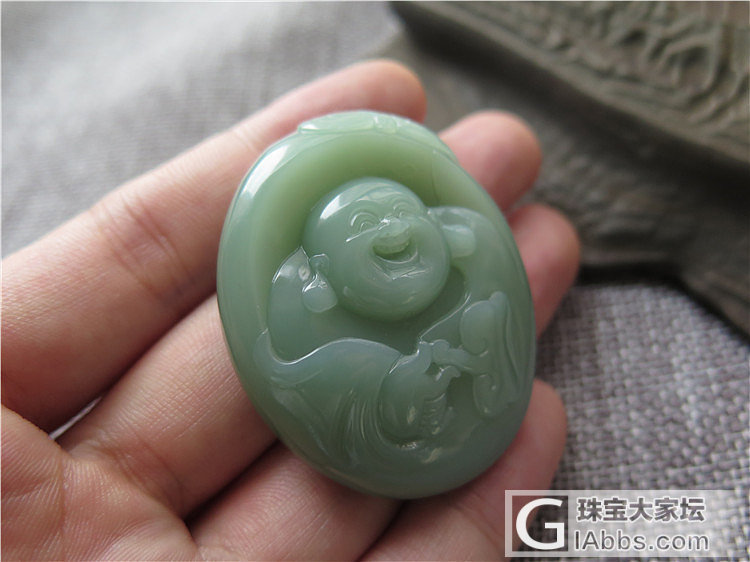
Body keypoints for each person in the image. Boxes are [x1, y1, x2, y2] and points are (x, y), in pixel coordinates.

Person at [1, 60, 580, 560]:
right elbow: (323, 387)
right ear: (319, 276)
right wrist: (398, 391)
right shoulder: (319, 343)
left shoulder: (478, 278)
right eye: (365, 223)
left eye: (405, 211)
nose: (395, 228)